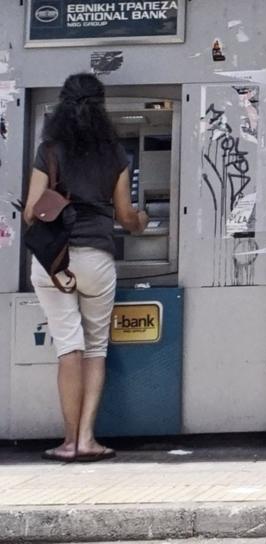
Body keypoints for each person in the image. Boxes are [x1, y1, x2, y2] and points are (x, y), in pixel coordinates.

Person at [24, 73, 148, 463]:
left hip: (53, 261)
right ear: (101, 106)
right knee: (95, 349)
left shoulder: (50, 150)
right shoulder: (115, 154)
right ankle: (87, 440)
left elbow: (30, 212)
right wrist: (142, 220)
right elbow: (126, 216)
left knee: (68, 348)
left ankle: (66, 442)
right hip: (96, 258)